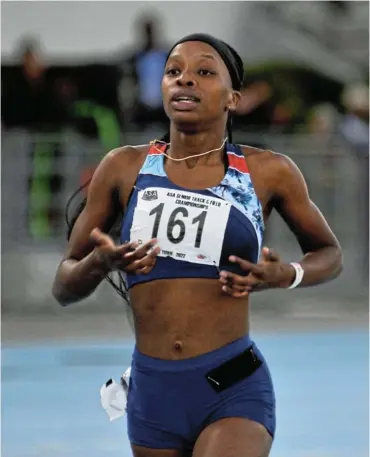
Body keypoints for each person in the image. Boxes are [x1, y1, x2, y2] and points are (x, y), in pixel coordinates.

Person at [52, 33, 343, 457]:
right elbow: (64, 286)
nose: (185, 80)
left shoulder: (267, 172)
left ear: (233, 98)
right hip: (154, 393)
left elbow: (329, 253)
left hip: (232, 386)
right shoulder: (124, 168)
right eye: (174, 72)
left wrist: (288, 274)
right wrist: (101, 261)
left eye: (204, 72)